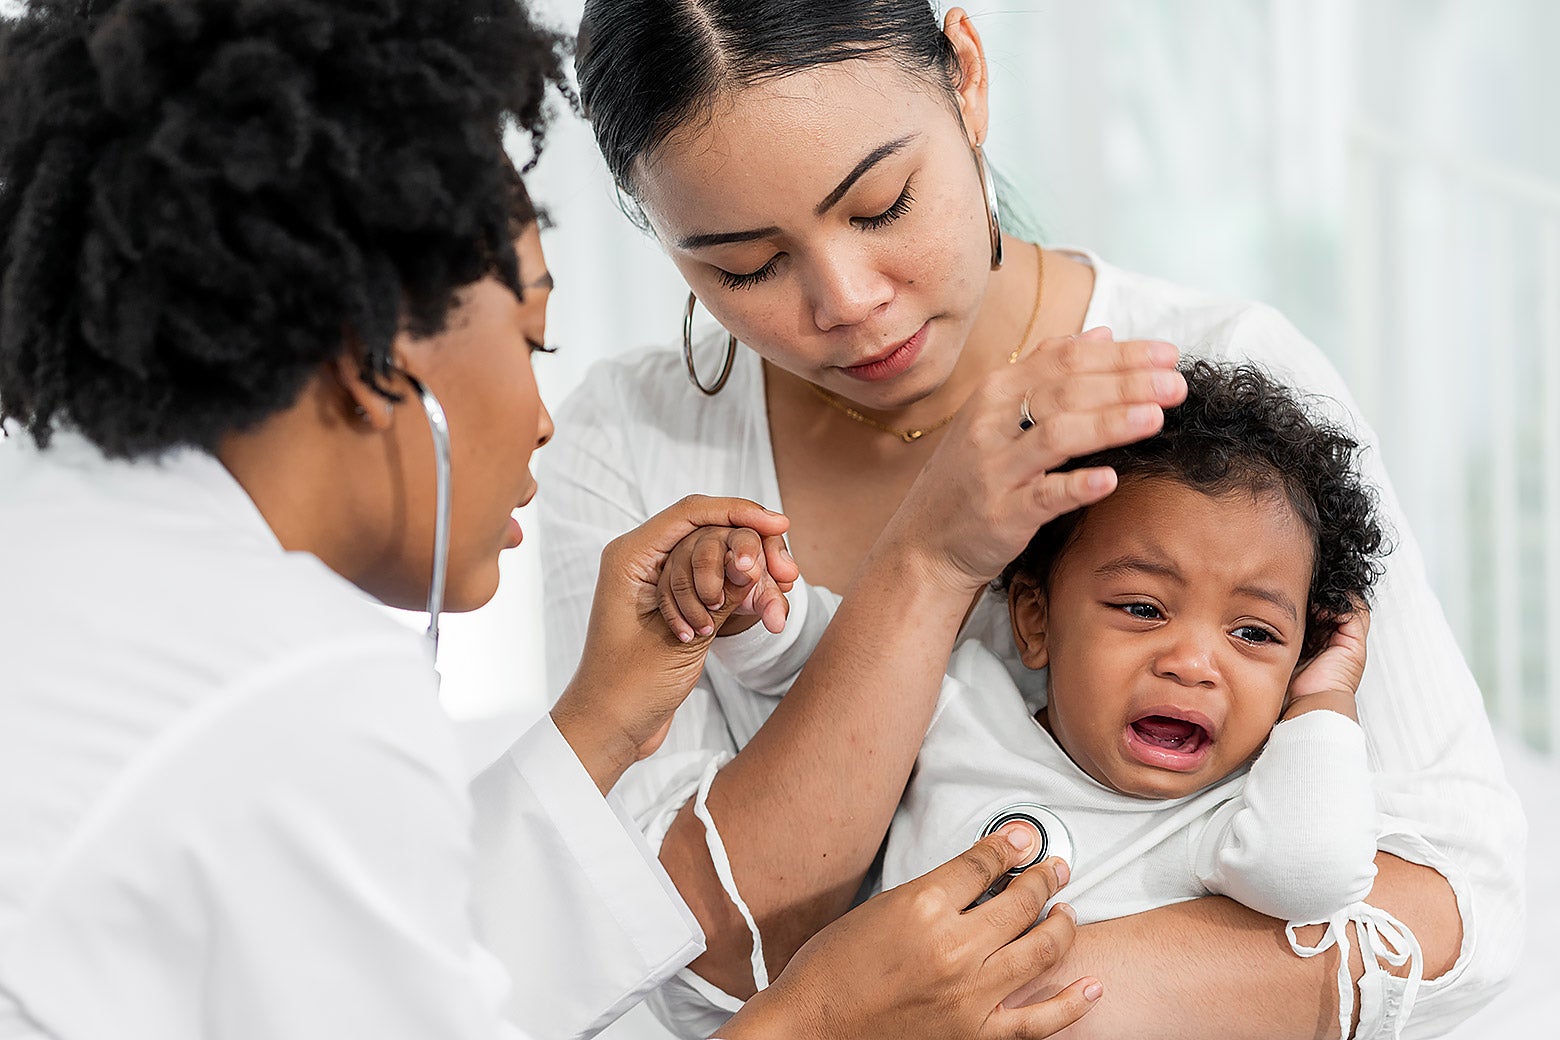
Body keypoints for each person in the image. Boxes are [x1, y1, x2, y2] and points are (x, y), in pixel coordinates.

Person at [0, 2, 1119, 1038]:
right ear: (377, 357)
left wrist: (600, 719)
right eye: (532, 335)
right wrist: (819, 1018)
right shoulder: (293, 692)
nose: (542, 418)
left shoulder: (79, 568)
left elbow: (433, 954)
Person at [543, 1, 1527, 1037]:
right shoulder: (626, 450)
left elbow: (1465, 897)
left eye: (882, 204)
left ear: (966, 75)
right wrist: (929, 557)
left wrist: (1001, 994)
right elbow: (690, 962)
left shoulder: (1220, 378)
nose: (847, 299)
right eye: (744, 264)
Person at [877, 361, 1410, 1040]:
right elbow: (839, 674)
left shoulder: (1225, 819)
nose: (1192, 665)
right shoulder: (963, 704)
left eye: (1254, 633)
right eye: (1142, 607)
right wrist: (751, 616)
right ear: (1035, 620)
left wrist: (1324, 695)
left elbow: (1317, 875)